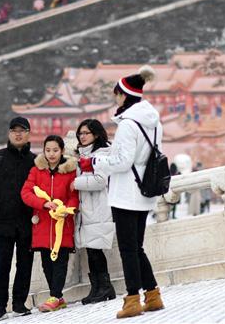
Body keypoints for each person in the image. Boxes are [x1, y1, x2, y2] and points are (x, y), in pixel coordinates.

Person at [79, 66, 165, 318]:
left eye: (116, 94)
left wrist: (93, 162)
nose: (115, 99)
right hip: (145, 191)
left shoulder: (129, 124)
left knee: (128, 249)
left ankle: (132, 300)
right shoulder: (153, 122)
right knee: (137, 247)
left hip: (127, 192)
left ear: (124, 95)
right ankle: (152, 295)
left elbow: (122, 162)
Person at [0, 117, 36, 322]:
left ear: (29, 133)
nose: (18, 134)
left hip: (27, 221)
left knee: (25, 264)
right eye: (14, 130)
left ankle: (19, 303)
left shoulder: (35, 161)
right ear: (9, 133)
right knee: (1, 265)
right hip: (3, 221)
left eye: (22, 130)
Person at [20, 135, 78, 313]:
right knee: (47, 263)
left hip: (62, 225)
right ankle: (58, 298)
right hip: (43, 224)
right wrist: (43, 204)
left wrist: (67, 209)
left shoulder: (70, 172)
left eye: (55, 150)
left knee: (61, 262)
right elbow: (26, 193)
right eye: (48, 150)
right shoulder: (36, 171)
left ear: (62, 151)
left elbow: (74, 196)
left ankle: (54, 296)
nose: (51, 154)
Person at [74, 119, 117, 304]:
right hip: (87, 212)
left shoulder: (102, 154)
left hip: (99, 209)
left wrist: (75, 184)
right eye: (80, 133)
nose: (82, 136)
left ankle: (105, 287)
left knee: (95, 251)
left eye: (86, 133)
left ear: (96, 134)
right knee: (91, 251)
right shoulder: (82, 155)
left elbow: (101, 180)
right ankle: (98, 287)